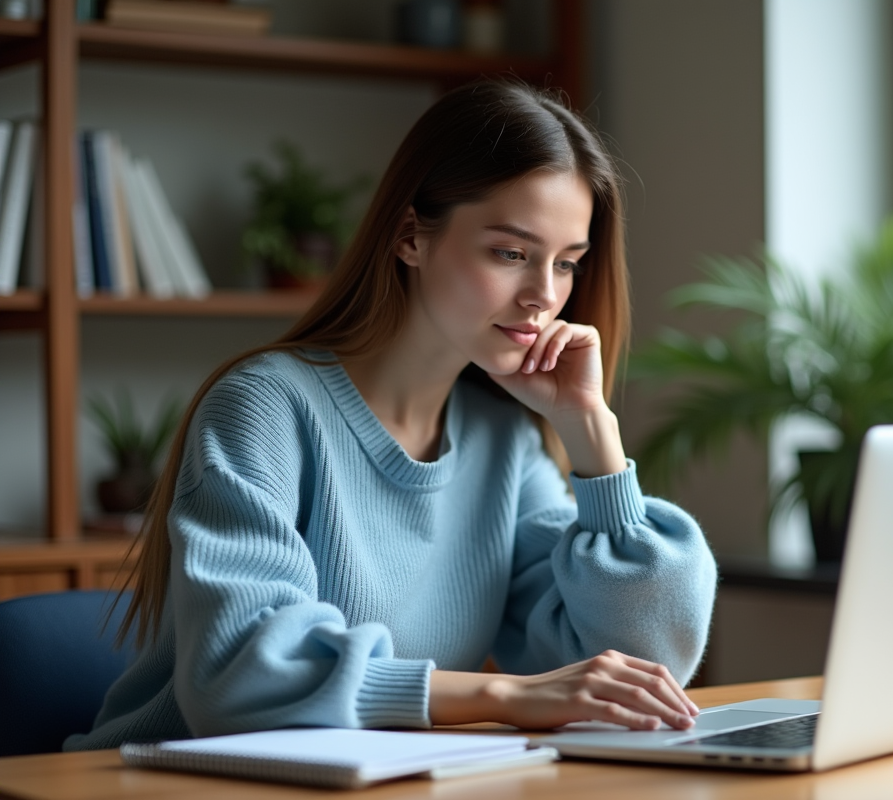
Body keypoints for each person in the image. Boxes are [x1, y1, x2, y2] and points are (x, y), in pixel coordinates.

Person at [66, 81, 718, 751]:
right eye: (511, 253)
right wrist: (507, 695)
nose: (543, 297)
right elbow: (239, 679)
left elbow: (643, 669)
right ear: (410, 236)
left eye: (567, 264)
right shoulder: (266, 407)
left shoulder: (504, 438)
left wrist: (593, 433)